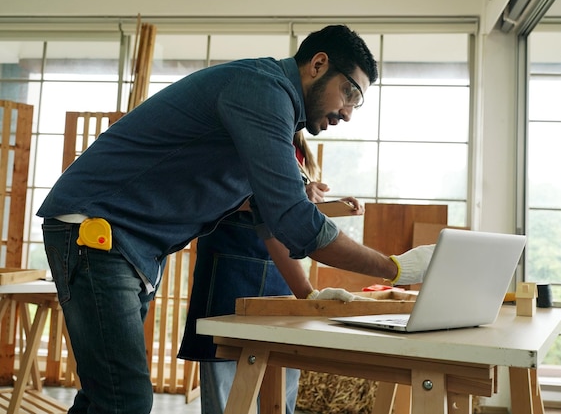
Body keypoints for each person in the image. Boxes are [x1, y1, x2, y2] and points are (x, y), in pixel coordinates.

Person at [37, 24, 434, 414]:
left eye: (356, 103)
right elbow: (294, 219)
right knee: (125, 401)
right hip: (96, 232)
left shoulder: (272, 110)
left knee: (102, 398)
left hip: (121, 243)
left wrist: (307, 294)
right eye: (349, 94)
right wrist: (394, 269)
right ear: (318, 64)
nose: (348, 113)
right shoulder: (262, 92)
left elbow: (270, 218)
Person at [178, 131, 362, 414]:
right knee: (227, 379)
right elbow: (213, 195)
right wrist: (290, 197)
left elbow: (286, 210)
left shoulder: (297, 147)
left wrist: (325, 206)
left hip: (282, 267)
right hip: (232, 263)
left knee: (282, 374)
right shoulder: (240, 132)